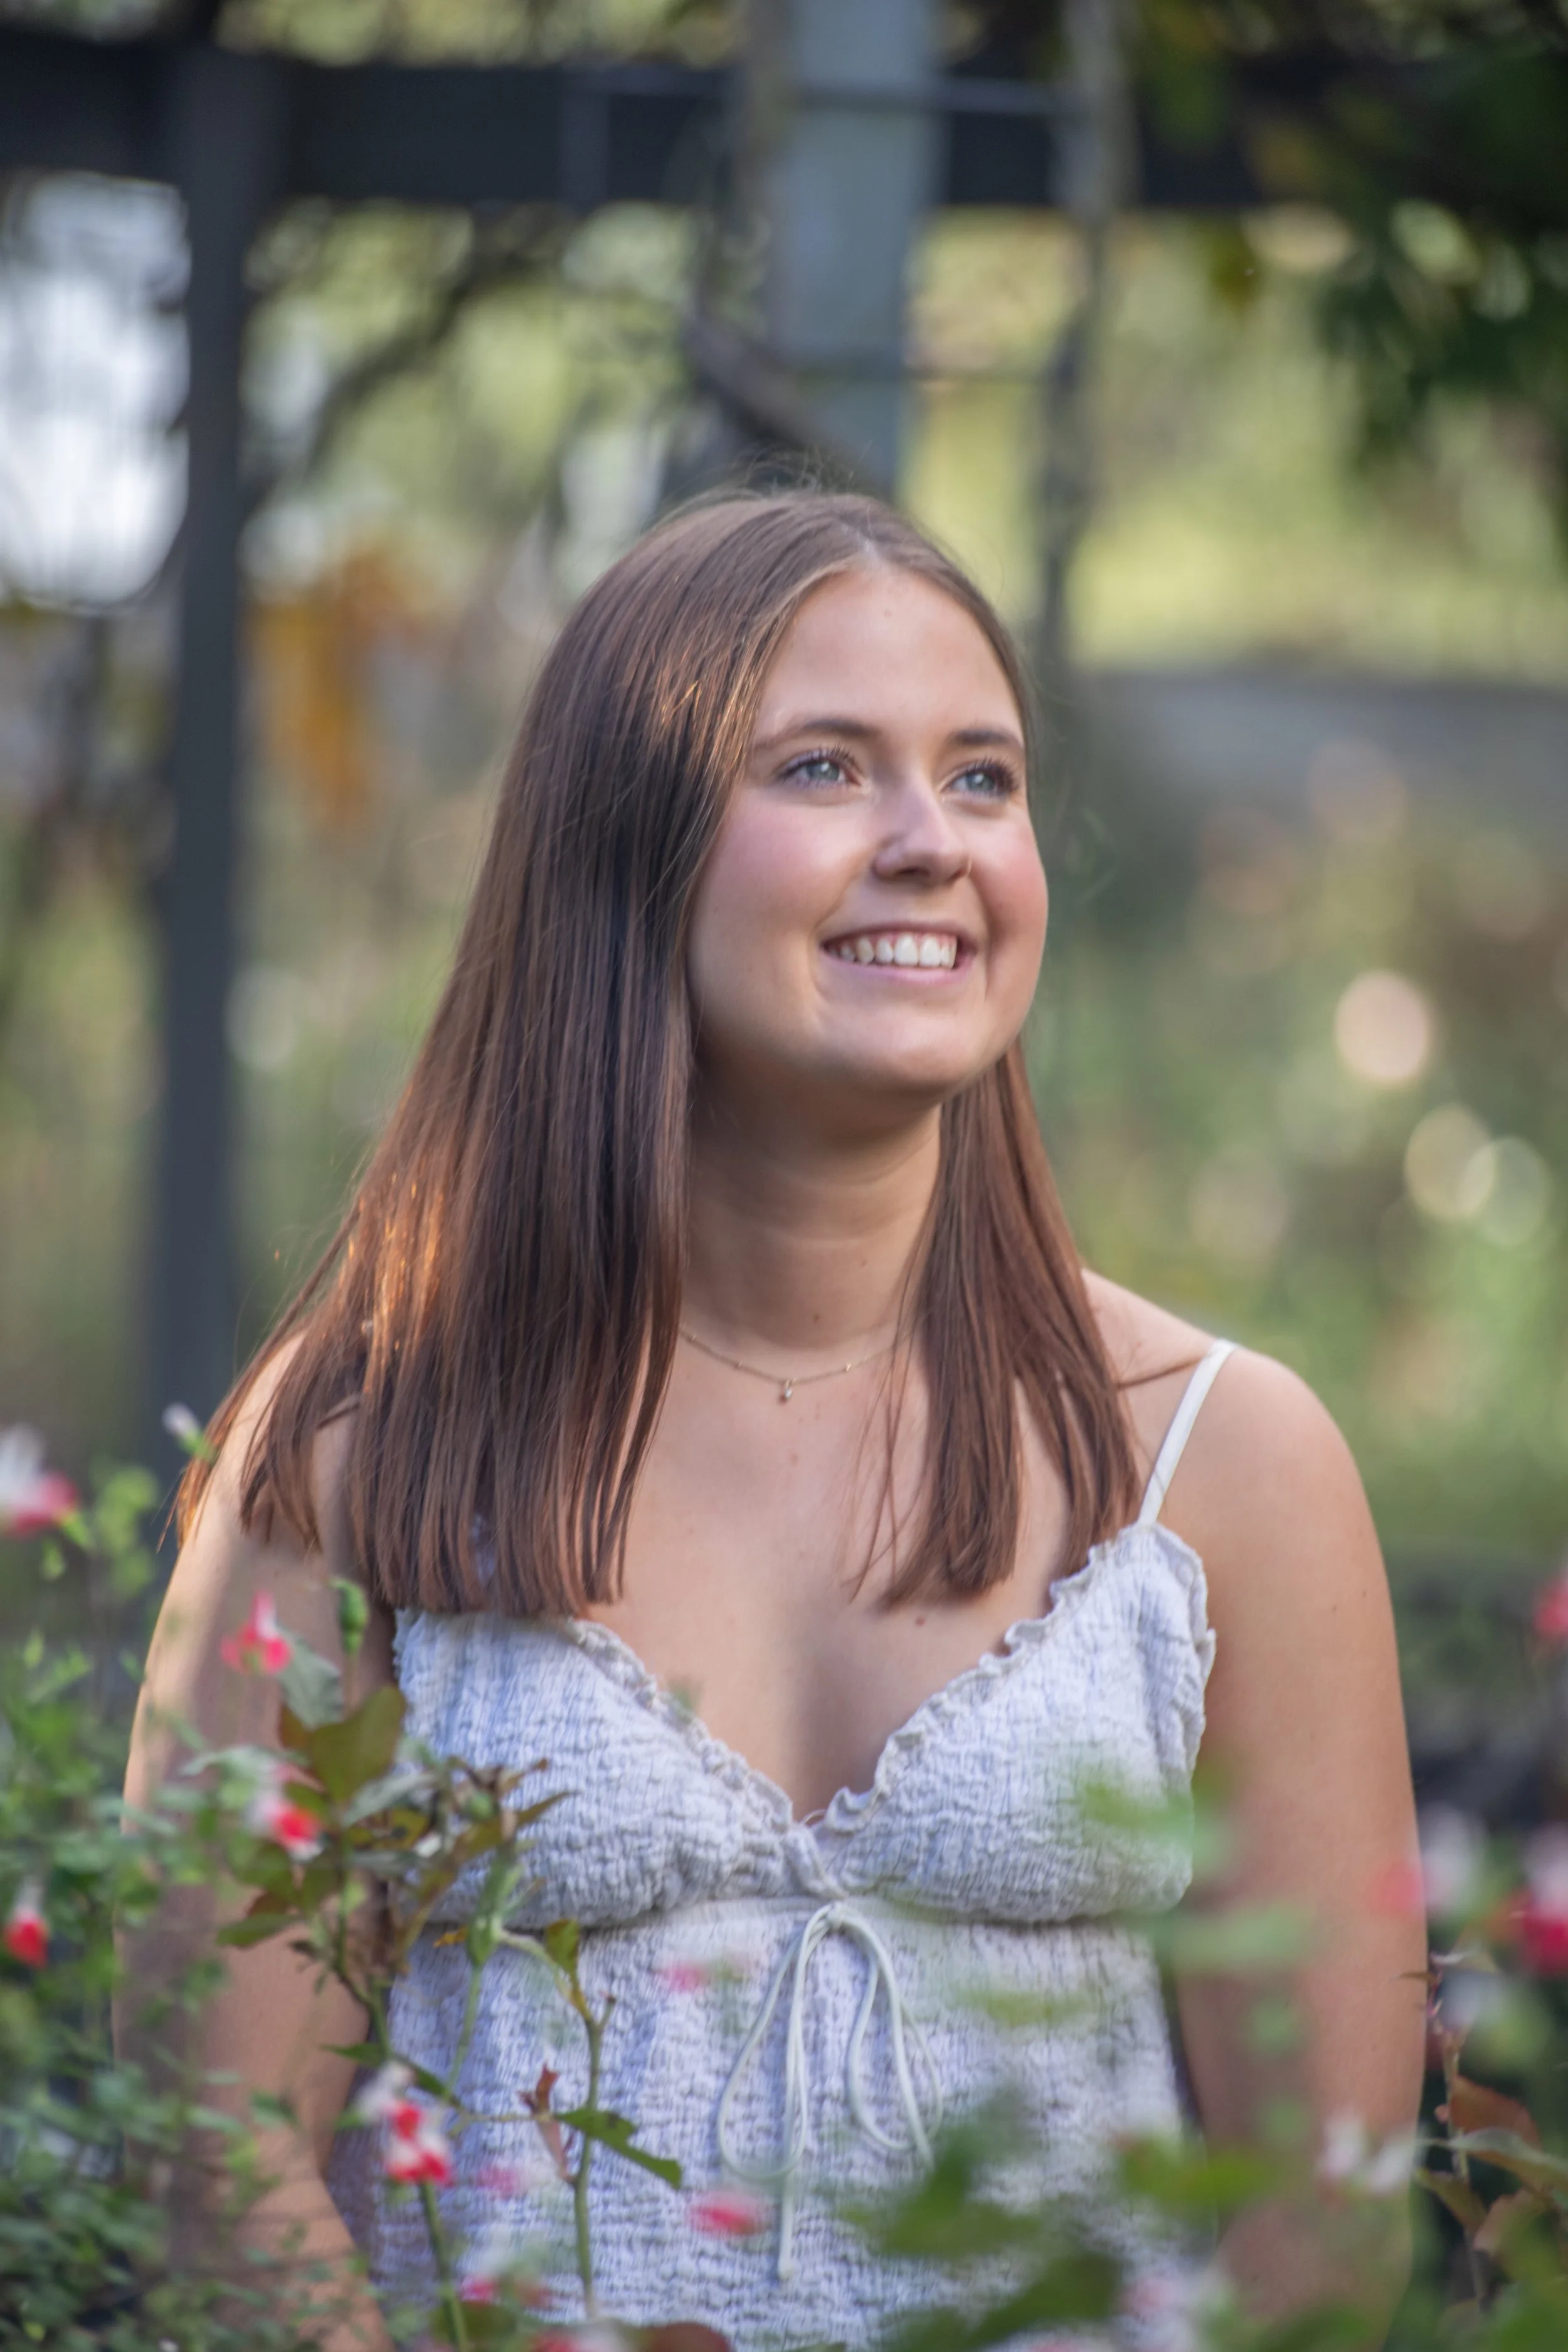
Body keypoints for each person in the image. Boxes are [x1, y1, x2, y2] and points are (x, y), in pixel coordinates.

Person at [123, 492, 1424, 2350]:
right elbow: (216, 2155)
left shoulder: (1222, 1465)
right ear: (624, 849)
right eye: (824, 766)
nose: (929, 842)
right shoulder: (358, 1447)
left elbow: (1326, 2224)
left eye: (982, 778)